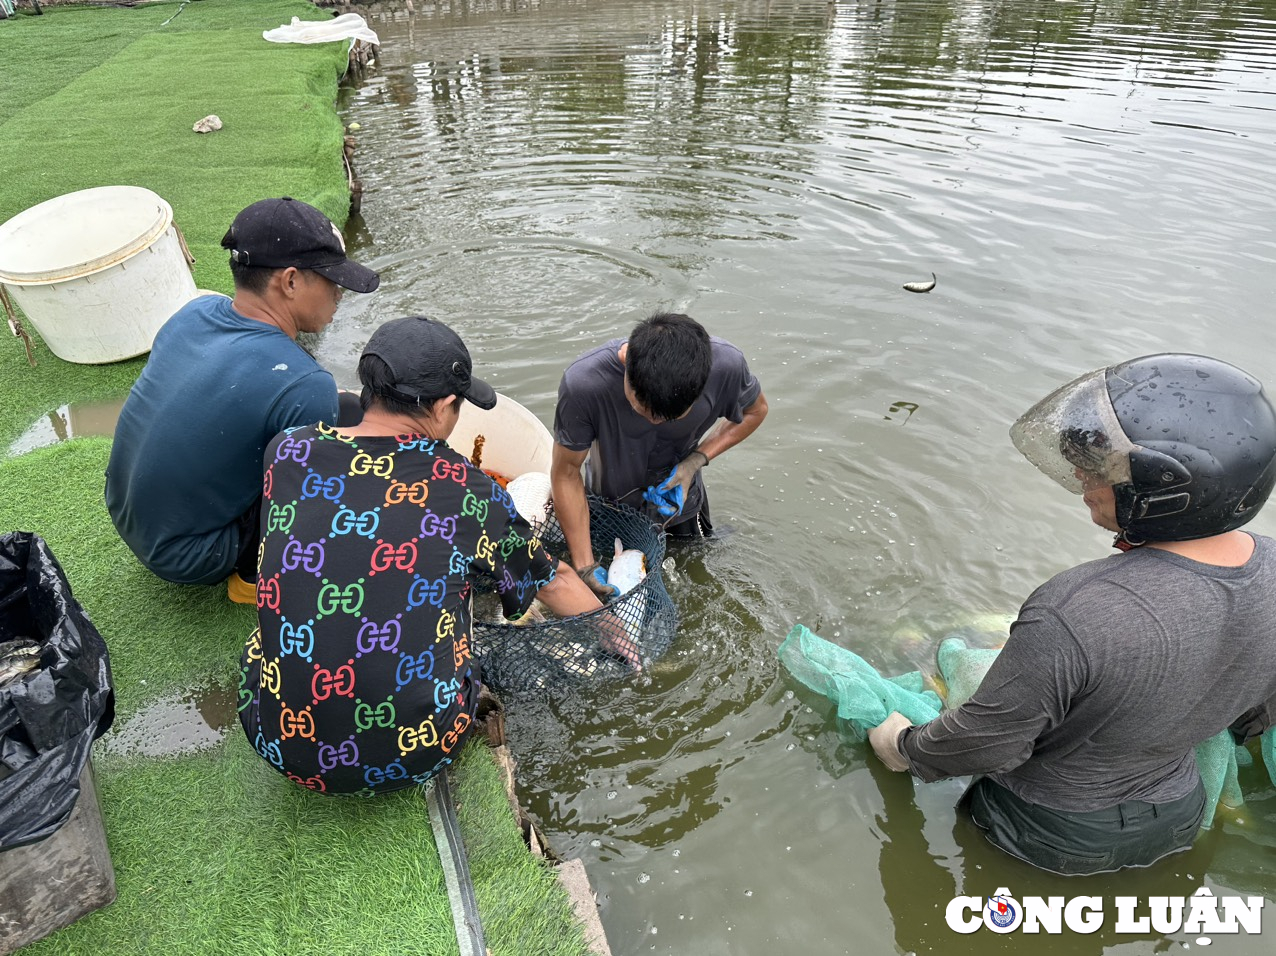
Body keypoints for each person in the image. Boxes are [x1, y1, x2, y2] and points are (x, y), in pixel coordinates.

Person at [868, 353, 1276, 875]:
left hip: (1051, 829)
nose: (1083, 475)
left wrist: (903, 746)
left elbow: (987, 742)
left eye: (1103, 468)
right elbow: (1255, 712)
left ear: (1165, 491)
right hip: (1178, 815)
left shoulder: (1076, 608)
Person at [238, 315, 625, 794]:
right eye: (459, 406)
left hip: (278, 741)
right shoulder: (464, 486)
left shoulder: (288, 452)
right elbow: (555, 582)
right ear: (443, 407)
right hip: (414, 752)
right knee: (464, 588)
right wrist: (619, 638)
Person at [105, 197, 378, 603]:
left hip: (127, 512)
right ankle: (252, 577)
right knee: (343, 477)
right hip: (193, 555)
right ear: (289, 281)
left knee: (348, 410)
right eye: (330, 280)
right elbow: (310, 503)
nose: (339, 294)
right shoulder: (303, 383)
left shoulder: (194, 312)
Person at [551, 312, 768, 593]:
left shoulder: (726, 366)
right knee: (606, 589)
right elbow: (566, 473)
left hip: (680, 503)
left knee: (694, 576)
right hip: (609, 507)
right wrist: (585, 566)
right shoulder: (584, 385)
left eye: (669, 418)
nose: (654, 422)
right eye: (642, 409)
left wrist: (695, 462)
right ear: (625, 359)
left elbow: (755, 411)